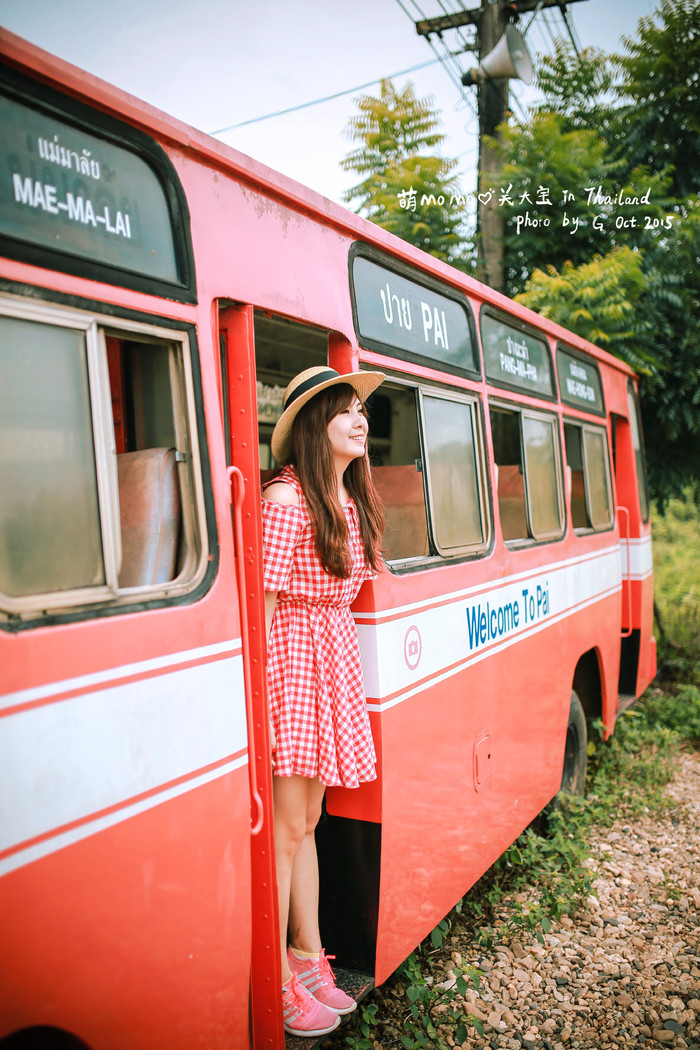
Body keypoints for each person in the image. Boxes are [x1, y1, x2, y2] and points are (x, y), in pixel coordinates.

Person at [261, 365, 386, 1038]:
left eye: (360, 409)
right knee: (286, 828)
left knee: (308, 819)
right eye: (343, 411)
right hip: (295, 664)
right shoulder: (285, 502)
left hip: (328, 655)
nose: (359, 419)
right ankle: (276, 977)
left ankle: (308, 957)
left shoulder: (341, 497)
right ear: (316, 426)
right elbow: (265, 608)